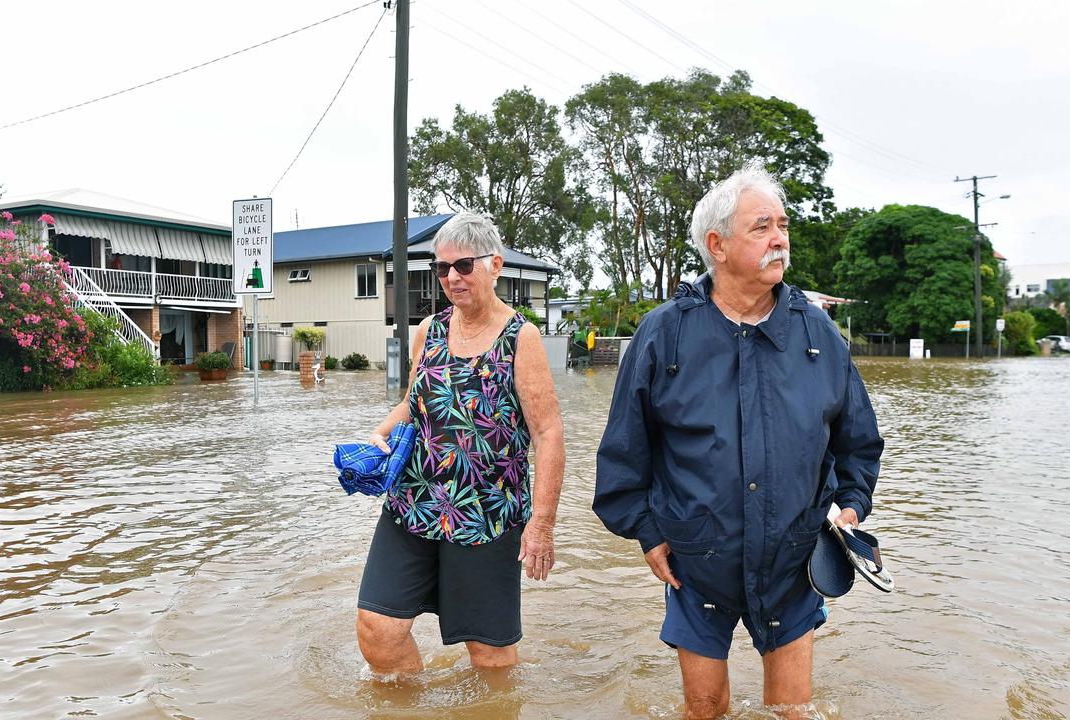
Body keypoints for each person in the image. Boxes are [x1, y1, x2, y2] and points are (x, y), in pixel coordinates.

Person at [593, 164, 884, 719]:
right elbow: (623, 455)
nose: (779, 239)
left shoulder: (817, 333)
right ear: (717, 246)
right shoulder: (665, 333)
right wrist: (649, 534)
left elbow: (859, 441)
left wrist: (852, 504)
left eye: (782, 225)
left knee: (791, 714)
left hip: (795, 559)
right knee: (703, 709)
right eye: (761, 227)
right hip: (696, 557)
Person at [356, 213, 564, 673]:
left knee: (489, 655)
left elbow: (549, 433)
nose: (452, 277)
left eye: (464, 266)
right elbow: (415, 401)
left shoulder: (520, 339)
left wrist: (542, 523)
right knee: (377, 631)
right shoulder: (428, 330)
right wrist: (381, 432)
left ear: (495, 264)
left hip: (487, 513)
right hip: (413, 503)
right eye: (443, 268)